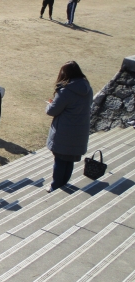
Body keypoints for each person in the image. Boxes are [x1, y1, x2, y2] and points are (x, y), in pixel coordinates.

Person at [45, 61, 92, 192]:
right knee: (69, 160)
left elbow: (52, 110)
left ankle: (55, 186)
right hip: (79, 130)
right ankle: (63, 183)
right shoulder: (87, 88)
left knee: (60, 160)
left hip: (64, 131)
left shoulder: (65, 91)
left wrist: (50, 104)